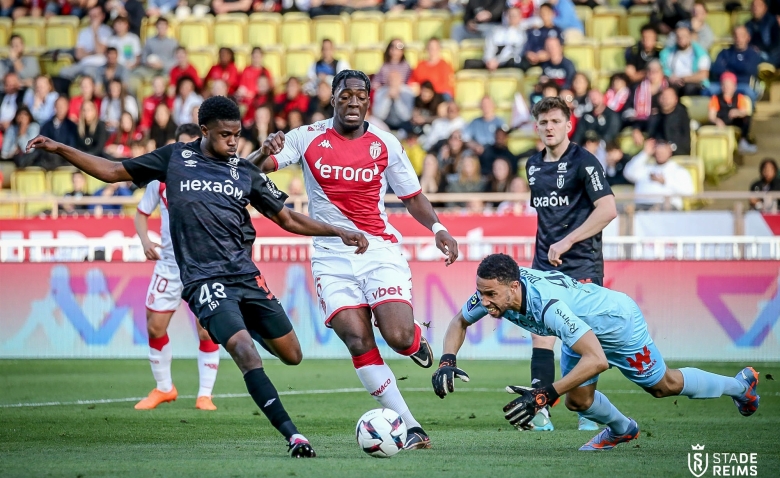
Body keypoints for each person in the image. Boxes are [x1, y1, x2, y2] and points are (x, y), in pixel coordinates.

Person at [26, 95, 369, 458]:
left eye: (237, 135)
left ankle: (238, 320)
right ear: (204, 131)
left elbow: (287, 218)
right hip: (204, 281)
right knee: (244, 351)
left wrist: (338, 231)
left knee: (293, 355)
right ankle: (294, 436)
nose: (233, 142)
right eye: (225, 135)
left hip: (246, 276)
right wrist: (60, 147)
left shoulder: (243, 171)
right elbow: (113, 171)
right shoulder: (174, 158)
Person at [250, 70, 459, 451]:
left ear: (368, 101)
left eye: (360, 96)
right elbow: (251, 170)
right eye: (345, 95)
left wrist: (438, 228)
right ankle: (411, 427)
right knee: (357, 339)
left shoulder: (385, 142)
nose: (352, 102)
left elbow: (412, 196)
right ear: (333, 99)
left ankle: (414, 340)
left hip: (378, 249)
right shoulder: (306, 137)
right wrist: (264, 150)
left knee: (396, 336)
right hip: (331, 255)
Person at [433, 253, 761, 450]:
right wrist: (447, 360)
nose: (484, 301)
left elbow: (597, 360)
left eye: (490, 294)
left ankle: (740, 386)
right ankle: (623, 430)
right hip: (580, 329)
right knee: (579, 401)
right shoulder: (498, 290)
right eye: (481, 292)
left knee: (664, 387)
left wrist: (542, 395)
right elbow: (459, 321)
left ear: (513, 287)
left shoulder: (547, 306)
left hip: (617, 325)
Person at [523, 96, 617, 431]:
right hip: (544, 266)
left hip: (581, 266)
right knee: (541, 335)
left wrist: (567, 240)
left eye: (554, 121)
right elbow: (547, 217)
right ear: (537, 127)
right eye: (543, 122)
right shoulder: (532, 166)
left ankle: (587, 410)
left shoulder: (585, 162)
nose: (549, 127)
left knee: (581, 339)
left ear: (568, 124)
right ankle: (540, 410)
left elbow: (607, 209)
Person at [133, 123, 222, 411]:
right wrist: (145, 239)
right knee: (155, 326)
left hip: (203, 265)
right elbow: (141, 213)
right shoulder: (160, 181)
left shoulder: (211, 177)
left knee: (207, 329)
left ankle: (204, 395)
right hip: (170, 266)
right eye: (181, 147)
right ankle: (164, 388)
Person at [622, 139, 695, 210]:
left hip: (666, 207)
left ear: (669, 151)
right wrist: (645, 153)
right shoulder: (645, 168)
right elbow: (628, 173)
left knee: (657, 210)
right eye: (658, 152)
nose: (660, 154)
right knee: (620, 208)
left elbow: (689, 192)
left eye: (663, 152)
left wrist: (665, 181)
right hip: (641, 206)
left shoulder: (678, 170)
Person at [709, 26, 762, 102]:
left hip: (742, 85)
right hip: (723, 85)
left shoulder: (753, 54)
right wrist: (739, 68)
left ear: (748, 37)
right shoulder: (724, 52)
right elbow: (716, 69)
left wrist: (728, 66)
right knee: (709, 90)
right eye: (736, 35)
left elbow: (749, 70)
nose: (738, 38)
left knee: (749, 93)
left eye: (741, 35)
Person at [708, 72, 756, 154]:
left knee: (746, 118)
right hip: (721, 121)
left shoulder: (739, 97)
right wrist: (717, 121)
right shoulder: (715, 98)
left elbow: (744, 111)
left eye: (729, 84)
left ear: (734, 86)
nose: (727, 87)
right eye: (724, 84)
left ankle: (743, 142)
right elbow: (711, 116)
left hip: (734, 121)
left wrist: (737, 112)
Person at [659, 21, 711, 97]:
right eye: (678, 36)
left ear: (690, 37)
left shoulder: (700, 54)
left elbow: (703, 75)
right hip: (673, 82)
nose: (681, 39)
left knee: (688, 88)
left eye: (684, 36)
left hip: (694, 84)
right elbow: (663, 69)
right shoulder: (667, 53)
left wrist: (683, 79)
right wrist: (670, 77)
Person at [471, 6, 526, 70]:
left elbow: (515, 52)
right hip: (492, 61)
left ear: (520, 17)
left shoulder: (523, 33)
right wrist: (489, 60)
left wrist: (498, 61)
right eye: (509, 15)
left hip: (508, 62)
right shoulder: (497, 31)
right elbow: (489, 47)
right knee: (469, 63)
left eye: (514, 16)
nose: (512, 18)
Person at [520, 3, 564, 72]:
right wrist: (530, 55)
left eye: (546, 13)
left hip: (549, 61)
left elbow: (560, 49)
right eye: (542, 13)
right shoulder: (533, 31)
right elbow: (527, 47)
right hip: (532, 61)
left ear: (552, 14)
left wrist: (548, 55)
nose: (544, 15)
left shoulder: (557, 31)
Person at [647, 87, 691, 155]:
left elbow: (685, 142)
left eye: (669, 97)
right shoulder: (655, 116)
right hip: (656, 153)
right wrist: (636, 129)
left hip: (677, 152)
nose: (665, 99)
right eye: (663, 96)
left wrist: (670, 148)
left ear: (676, 99)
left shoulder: (682, 115)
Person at [745, 0, 780, 66]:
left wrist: (760, 49)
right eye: (753, 6)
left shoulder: (772, 22)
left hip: (770, 55)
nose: (755, 8)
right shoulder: (748, 24)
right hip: (753, 54)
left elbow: (776, 44)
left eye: (758, 6)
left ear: (765, 8)